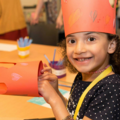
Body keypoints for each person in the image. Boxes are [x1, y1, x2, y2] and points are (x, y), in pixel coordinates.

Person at [38, 0, 120, 120]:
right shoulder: (83, 75)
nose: (79, 49)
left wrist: (54, 100)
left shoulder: (112, 87)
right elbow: (75, 112)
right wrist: (56, 93)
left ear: (111, 45)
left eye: (91, 39)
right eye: (72, 41)